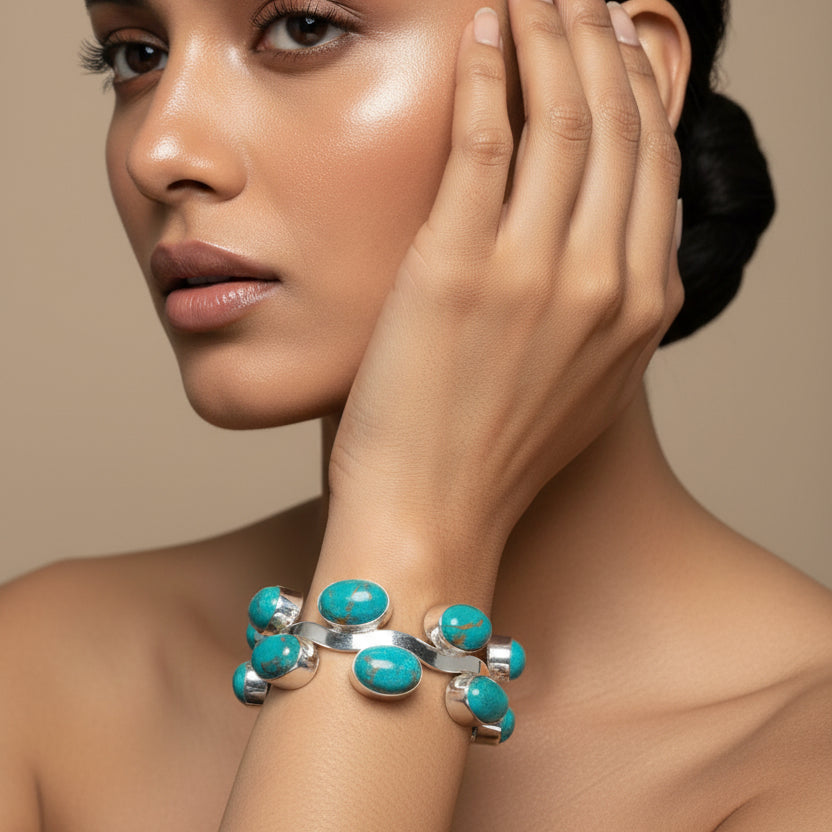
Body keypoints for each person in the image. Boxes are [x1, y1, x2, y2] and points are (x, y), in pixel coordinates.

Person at [1, 0, 829, 828]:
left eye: (304, 28)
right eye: (137, 55)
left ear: (621, 71)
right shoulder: (36, 676)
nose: (159, 153)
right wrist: (413, 527)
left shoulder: (800, 759)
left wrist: (413, 525)